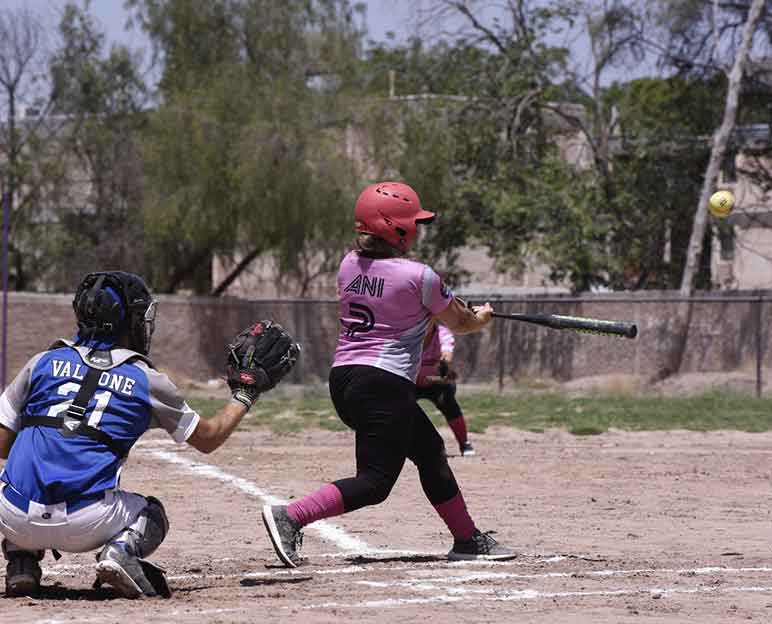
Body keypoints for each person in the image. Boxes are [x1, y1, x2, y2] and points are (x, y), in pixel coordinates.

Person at [262, 181, 515, 568]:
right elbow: (460, 323)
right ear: (397, 228)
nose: (417, 228)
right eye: (413, 222)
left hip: (346, 380)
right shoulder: (419, 276)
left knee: (430, 452)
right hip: (384, 383)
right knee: (375, 483)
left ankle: (467, 538)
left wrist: (443, 302)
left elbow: (404, 299)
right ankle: (292, 516)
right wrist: (480, 317)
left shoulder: (348, 264)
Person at [0, 271, 297, 598]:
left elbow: (3, 446)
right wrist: (245, 394)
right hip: (87, 523)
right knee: (151, 512)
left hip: (12, 517)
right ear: (126, 321)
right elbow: (209, 438)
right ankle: (119, 552)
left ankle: (21, 562)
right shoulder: (146, 378)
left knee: (19, 479)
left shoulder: (42, 362)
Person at [416, 321, 475, 456]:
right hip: (412, 380)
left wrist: (445, 361)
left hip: (434, 380)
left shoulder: (442, 332)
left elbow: (447, 351)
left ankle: (464, 443)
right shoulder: (411, 332)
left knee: (449, 402)